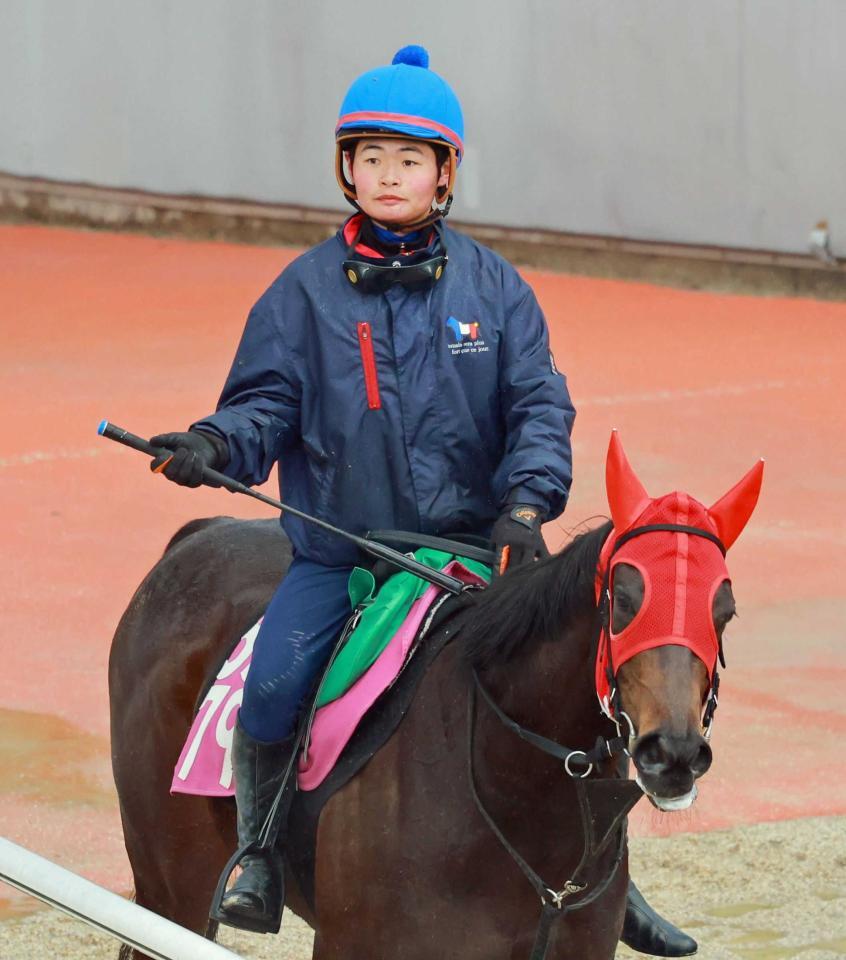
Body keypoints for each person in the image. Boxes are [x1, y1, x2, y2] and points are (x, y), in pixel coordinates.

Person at [150, 45, 696, 957]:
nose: (388, 176)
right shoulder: (301, 293)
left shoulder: (495, 287)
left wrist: (526, 504)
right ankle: (256, 853)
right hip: (343, 555)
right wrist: (215, 442)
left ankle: (609, 877)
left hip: (479, 556)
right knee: (276, 686)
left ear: (445, 175)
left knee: (581, 683)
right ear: (346, 171)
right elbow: (265, 403)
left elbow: (537, 402)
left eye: (409, 160)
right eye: (370, 159)